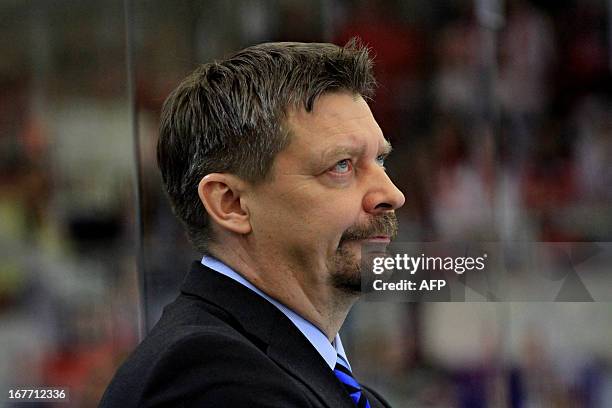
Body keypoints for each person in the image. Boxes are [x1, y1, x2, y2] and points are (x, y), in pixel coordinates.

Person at [100, 39, 405, 408]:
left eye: (381, 161)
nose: (391, 194)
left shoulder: (323, 382)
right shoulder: (209, 379)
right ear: (231, 203)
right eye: (342, 165)